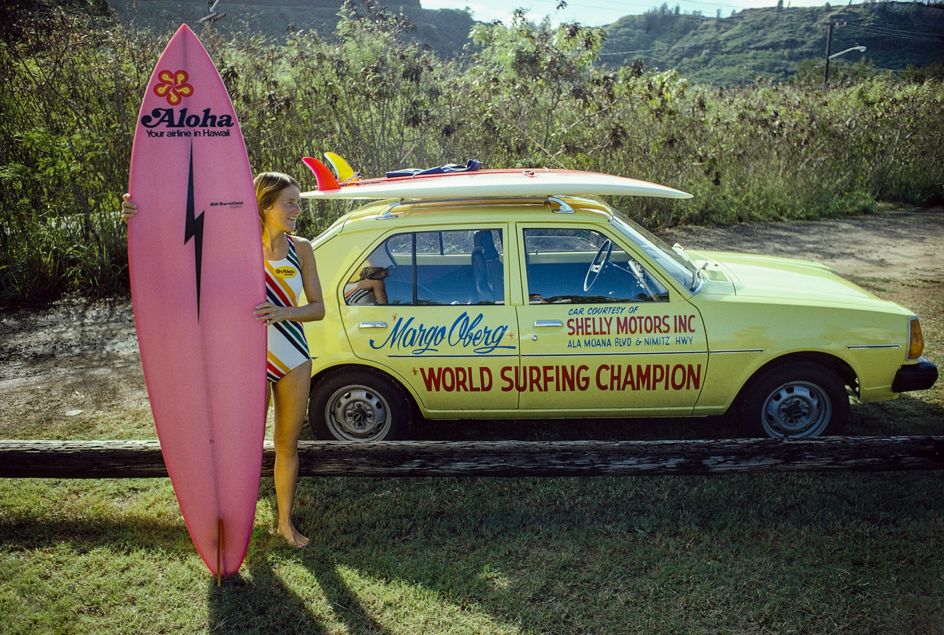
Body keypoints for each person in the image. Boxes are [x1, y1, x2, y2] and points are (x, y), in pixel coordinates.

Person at [121, 172, 324, 548]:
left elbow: (318, 308)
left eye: (298, 201)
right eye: (290, 203)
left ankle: (284, 522)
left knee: (287, 443)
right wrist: (138, 217)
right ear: (266, 207)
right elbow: (176, 249)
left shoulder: (302, 248)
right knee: (244, 447)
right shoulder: (235, 245)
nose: (297, 209)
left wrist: (283, 313)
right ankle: (238, 527)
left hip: (293, 355)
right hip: (246, 359)